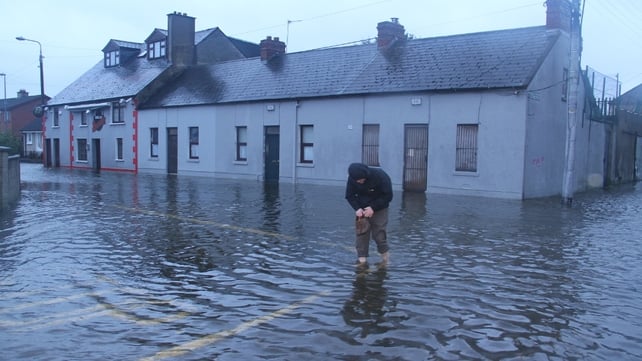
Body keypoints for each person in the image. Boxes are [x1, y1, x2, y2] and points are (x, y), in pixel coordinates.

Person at [345, 163, 393, 265]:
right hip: (361, 209)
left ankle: (385, 261)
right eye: (357, 180)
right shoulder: (352, 178)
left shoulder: (380, 176)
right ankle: (362, 262)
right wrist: (357, 209)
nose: (359, 182)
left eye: (361, 180)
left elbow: (388, 196)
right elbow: (349, 196)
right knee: (361, 234)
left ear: (366, 175)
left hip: (380, 208)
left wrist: (373, 208)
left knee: (379, 235)